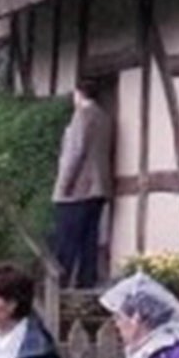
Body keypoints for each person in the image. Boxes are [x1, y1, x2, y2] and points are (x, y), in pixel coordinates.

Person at [50, 80, 113, 289]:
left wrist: (64, 185)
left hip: (79, 188)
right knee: (89, 239)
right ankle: (86, 281)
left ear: (79, 94)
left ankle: (62, 284)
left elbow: (75, 153)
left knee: (66, 239)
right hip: (99, 188)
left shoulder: (82, 116)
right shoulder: (104, 117)